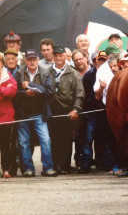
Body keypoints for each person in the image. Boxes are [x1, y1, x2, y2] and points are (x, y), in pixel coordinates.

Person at [14, 49, 57, 177]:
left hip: (40, 112)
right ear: (25, 60)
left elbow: (50, 92)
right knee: (24, 142)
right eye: (29, 59)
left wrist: (32, 85)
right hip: (23, 113)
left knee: (45, 140)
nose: (32, 62)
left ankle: (48, 168)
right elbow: (14, 93)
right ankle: (28, 169)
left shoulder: (45, 72)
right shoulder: (19, 72)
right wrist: (26, 93)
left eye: (34, 59)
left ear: (38, 60)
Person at [48, 45, 84, 175]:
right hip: (52, 111)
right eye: (56, 55)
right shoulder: (47, 72)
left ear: (65, 57)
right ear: (53, 57)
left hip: (68, 111)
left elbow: (80, 94)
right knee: (53, 139)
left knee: (67, 140)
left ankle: (65, 166)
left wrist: (76, 109)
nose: (58, 58)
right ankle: (55, 165)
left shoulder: (73, 73)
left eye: (61, 55)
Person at [0, 53, 17, 179]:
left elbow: (12, 91)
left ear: (2, 63)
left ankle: (6, 169)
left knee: (6, 144)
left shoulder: (8, 76)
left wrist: (3, 91)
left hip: (6, 115)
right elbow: (7, 91)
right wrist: (4, 91)